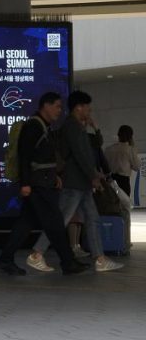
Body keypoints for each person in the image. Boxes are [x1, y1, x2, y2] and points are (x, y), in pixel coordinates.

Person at [25, 91, 122, 273]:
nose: (89, 110)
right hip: (74, 183)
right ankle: (37, 253)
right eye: (87, 107)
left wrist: (91, 176)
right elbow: (80, 154)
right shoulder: (72, 126)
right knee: (61, 220)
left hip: (80, 183)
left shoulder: (75, 125)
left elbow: (86, 152)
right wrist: (93, 176)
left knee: (92, 219)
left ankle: (99, 258)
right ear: (79, 107)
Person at [0, 92, 87, 276]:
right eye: (57, 106)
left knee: (26, 223)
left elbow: (44, 158)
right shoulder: (33, 126)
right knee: (55, 222)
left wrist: (54, 176)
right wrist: (25, 184)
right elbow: (25, 156)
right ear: (45, 105)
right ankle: (68, 263)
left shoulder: (44, 126)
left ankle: (5, 260)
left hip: (43, 182)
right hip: (38, 185)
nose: (59, 111)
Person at [104, 125, 136, 198]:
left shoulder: (108, 149)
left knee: (112, 203)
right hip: (124, 181)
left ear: (118, 135)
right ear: (131, 137)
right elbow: (136, 166)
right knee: (124, 204)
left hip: (110, 179)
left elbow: (103, 165)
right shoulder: (130, 150)